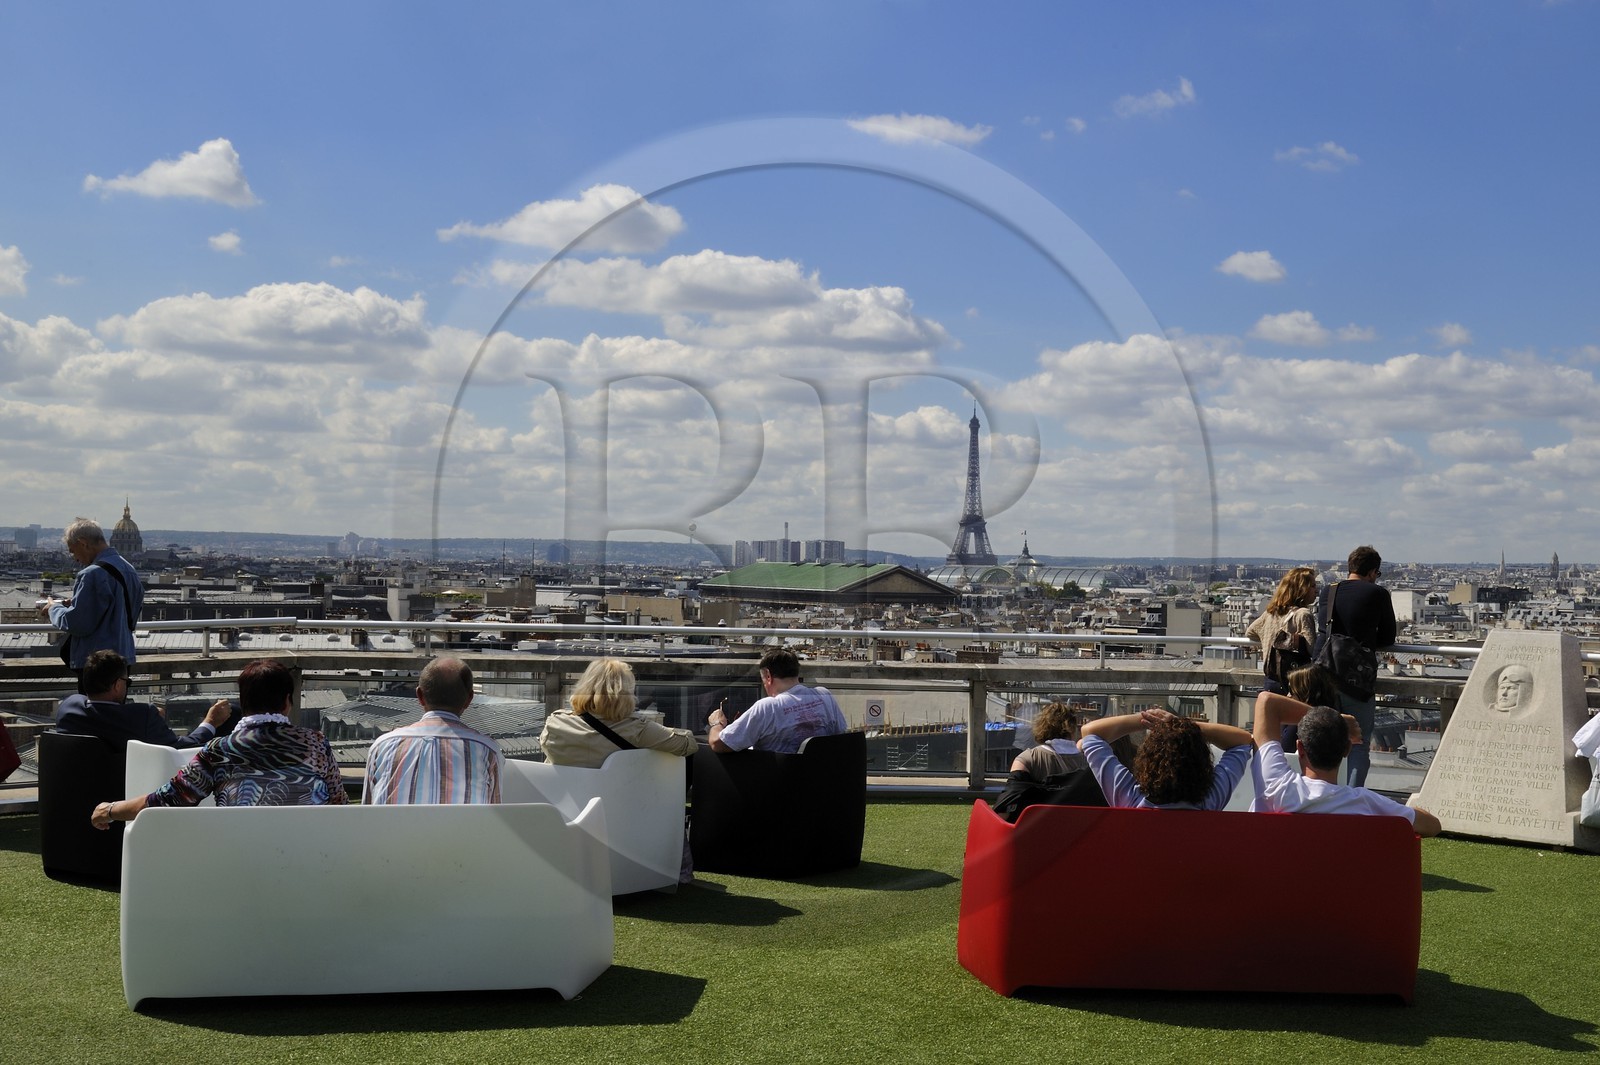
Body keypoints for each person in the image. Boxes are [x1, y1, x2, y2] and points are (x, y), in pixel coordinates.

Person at [91, 658, 347, 828]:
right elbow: (339, 805)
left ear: (243, 702)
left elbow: (169, 799)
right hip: (310, 862)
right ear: (287, 702)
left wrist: (110, 810)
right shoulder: (317, 744)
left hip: (241, 866)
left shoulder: (220, 750)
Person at [1250, 689, 1441, 836]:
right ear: (1347, 750)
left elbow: (1267, 701)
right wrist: (1336, 722)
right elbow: (1432, 826)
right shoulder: (1366, 803)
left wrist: (1339, 720)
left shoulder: (1275, 787)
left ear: (1300, 748)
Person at [364, 657, 504, 804]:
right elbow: (494, 816)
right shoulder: (488, 751)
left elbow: (366, 816)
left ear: (420, 696)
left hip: (395, 828)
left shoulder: (381, 746)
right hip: (462, 828)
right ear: (469, 699)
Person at [1313, 545, 1396, 788]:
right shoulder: (1377, 593)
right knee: (1358, 742)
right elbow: (1389, 637)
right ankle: (1350, 798)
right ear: (1372, 572)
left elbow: (1323, 631)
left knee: (1324, 739)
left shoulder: (1330, 591)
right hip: (1356, 680)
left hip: (1325, 674)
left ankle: (1323, 793)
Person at [1078, 707, 1254, 810]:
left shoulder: (1130, 799)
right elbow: (1242, 741)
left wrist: (1147, 717)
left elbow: (1090, 733)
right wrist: (1182, 726)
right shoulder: (1210, 801)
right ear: (1202, 762)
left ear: (1146, 760)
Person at [38, 517, 144, 685]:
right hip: (124, 657)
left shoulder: (91, 574)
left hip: (97, 662)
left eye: (73, 551)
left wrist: (52, 609)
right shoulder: (129, 570)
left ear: (83, 543)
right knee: (116, 710)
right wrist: (78, 602)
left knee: (95, 710)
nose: (75, 558)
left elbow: (78, 623)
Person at [55, 649, 232, 749]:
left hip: (75, 796)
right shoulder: (142, 716)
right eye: (127, 682)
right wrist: (210, 722)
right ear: (117, 685)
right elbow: (180, 747)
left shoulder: (68, 708)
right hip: (124, 795)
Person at [539, 657, 698, 768]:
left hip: (566, 808)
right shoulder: (637, 729)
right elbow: (688, 744)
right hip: (618, 806)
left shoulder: (555, 724)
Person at [707, 647, 847, 754]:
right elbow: (840, 738)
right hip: (824, 784)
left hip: (780, 787)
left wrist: (717, 724)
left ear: (768, 676)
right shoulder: (824, 695)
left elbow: (718, 744)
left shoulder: (768, 707)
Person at [992, 702, 1106, 821]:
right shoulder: (1091, 762)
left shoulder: (1027, 759)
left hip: (1037, 832)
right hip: (1079, 832)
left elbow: (1006, 805)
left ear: (1041, 726)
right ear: (1072, 728)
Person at [1246, 565, 1318, 701]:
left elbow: (1250, 632)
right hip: (1295, 682)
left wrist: (1268, 640)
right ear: (1302, 589)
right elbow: (1312, 649)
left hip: (1271, 679)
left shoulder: (1270, 613)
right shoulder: (1303, 614)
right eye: (1313, 586)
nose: (1317, 590)